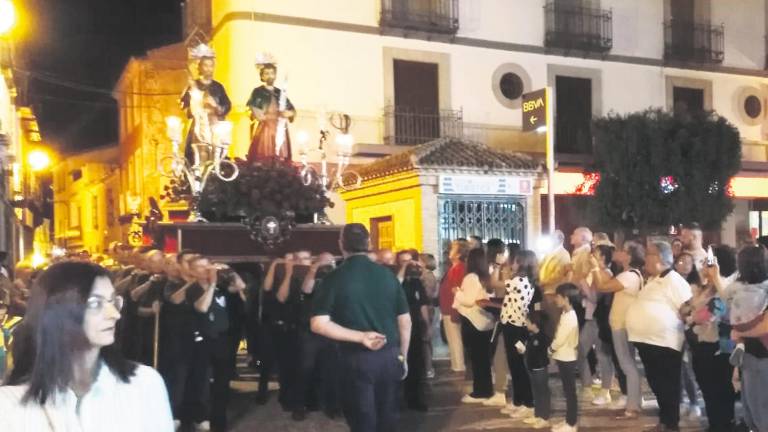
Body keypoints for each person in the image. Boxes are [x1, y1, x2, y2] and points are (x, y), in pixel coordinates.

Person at [0, 261, 174, 431]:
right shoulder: (9, 404)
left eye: (113, 301)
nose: (114, 314)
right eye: (95, 304)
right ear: (58, 312)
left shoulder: (145, 384)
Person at [311, 224, 411, 432]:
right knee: (388, 420)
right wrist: (403, 356)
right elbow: (405, 321)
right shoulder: (388, 276)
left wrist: (360, 337)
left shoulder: (334, 278)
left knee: (362, 421)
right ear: (369, 244)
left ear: (341, 245)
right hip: (389, 356)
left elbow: (318, 323)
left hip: (354, 359)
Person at [626, 241, 692, 432]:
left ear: (661, 258)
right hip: (649, 342)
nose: (645, 258)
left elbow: (687, 308)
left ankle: (671, 424)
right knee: (657, 383)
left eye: (649, 254)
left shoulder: (674, 280)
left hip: (666, 343)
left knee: (668, 385)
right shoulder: (653, 279)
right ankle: (664, 421)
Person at [682, 246, 737, 432]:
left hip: (719, 347)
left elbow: (709, 314)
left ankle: (723, 425)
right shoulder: (707, 288)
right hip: (702, 345)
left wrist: (690, 317)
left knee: (720, 390)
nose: (703, 265)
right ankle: (714, 424)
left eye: (707, 262)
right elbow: (686, 307)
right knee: (707, 389)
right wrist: (690, 313)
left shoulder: (726, 286)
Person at [593, 240, 645, 420]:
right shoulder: (627, 274)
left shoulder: (630, 275)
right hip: (621, 324)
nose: (619, 253)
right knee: (628, 364)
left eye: (623, 250)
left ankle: (632, 406)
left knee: (627, 365)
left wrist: (596, 267)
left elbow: (603, 286)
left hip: (622, 325)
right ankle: (635, 401)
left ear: (629, 255)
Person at [719, 245, 768, 432]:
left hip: (760, 354)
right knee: (751, 408)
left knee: (760, 410)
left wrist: (740, 333)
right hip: (751, 354)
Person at [453, 248, 495, 403]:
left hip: (473, 321)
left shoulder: (471, 277)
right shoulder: (485, 277)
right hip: (484, 321)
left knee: (477, 359)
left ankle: (480, 391)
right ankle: (485, 389)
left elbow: (469, 300)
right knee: (483, 359)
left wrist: (456, 292)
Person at [498, 250, 537, 418]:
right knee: (514, 365)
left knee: (518, 366)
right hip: (512, 325)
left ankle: (528, 403)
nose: (512, 265)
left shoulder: (519, 280)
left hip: (516, 326)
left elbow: (495, 284)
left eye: (514, 261)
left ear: (521, 263)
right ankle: (518, 401)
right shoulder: (522, 280)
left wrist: (500, 266)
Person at [180, 46, 232, 162]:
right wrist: (196, 104)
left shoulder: (218, 87)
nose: (209, 69)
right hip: (199, 126)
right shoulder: (193, 86)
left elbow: (227, 106)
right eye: (206, 65)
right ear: (200, 67)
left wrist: (215, 106)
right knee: (198, 156)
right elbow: (185, 107)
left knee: (216, 156)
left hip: (215, 126)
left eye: (211, 66)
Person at [673, 252, 703, 420]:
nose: (685, 264)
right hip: (672, 329)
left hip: (690, 330)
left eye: (689, 262)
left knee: (687, 368)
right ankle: (680, 401)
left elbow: (694, 308)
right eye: (682, 261)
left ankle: (694, 402)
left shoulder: (695, 286)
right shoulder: (670, 282)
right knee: (676, 367)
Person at [246, 61, 296, 161]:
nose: (270, 76)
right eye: (267, 73)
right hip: (265, 126)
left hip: (279, 126)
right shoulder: (258, 92)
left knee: (280, 150)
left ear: (275, 75)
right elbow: (250, 106)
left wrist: (288, 113)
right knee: (264, 149)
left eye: (272, 73)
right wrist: (257, 113)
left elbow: (291, 109)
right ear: (262, 76)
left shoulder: (279, 93)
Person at [550, 283, 581, 432]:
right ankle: (569, 421)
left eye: (558, 296)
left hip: (566, 357)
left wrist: (550, 349)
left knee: (570, 392)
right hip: (564, 356)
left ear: (566, 298)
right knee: (568, 391)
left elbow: (560, 339)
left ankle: (571, 424)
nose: (555, 299)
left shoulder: (569, 317)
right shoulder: (566, 313)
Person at [439, 240, 469, 373]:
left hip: (452, 309)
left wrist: (454, 311)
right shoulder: (455, 267)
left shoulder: (459, 268)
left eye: (452, 249)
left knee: (455, 339)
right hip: (449, 308)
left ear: (458, 254)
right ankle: (457, 365)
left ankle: (458, 366)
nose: (449, 252)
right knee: (453, 339)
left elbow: (457, 290)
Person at [521, 311, 552, 429]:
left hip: (540, 369)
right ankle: (538, 414)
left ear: (535, 324)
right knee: (536, 392)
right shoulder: (531, 336)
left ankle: (545, 417)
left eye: (528, 321)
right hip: (532, 368)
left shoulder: (542, 338)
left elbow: (541, 353)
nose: (526, 323)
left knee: (543, 392)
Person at [539, 230, 572, 338]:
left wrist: (542, 282)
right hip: (545, 291)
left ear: (560, 240)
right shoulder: (549, 253)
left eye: (553, 238)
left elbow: (558, 275)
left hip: (553, 292)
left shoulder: (564, 254)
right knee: (547, 322)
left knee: (554, 321)